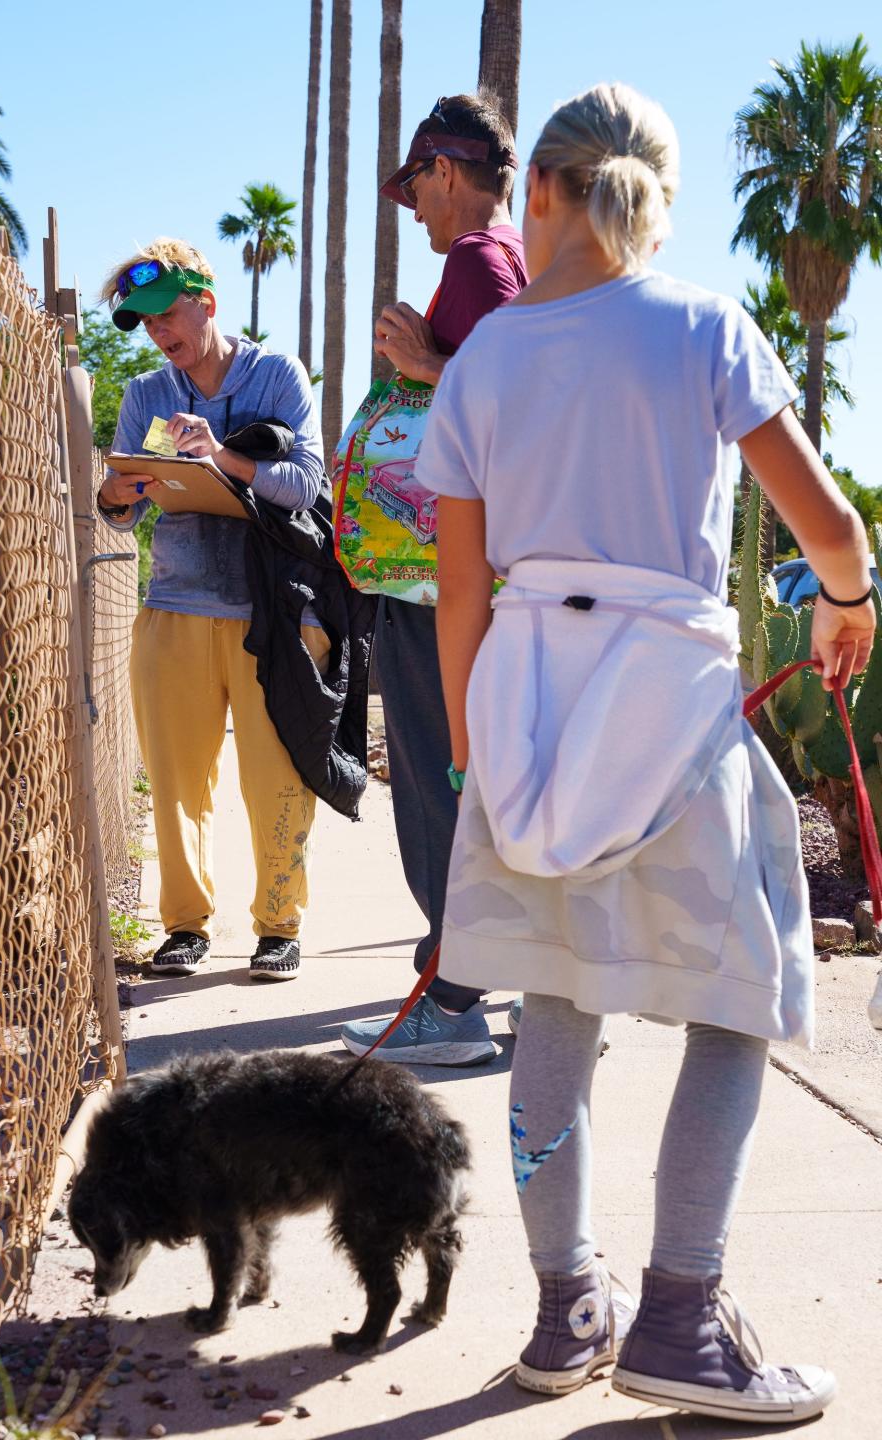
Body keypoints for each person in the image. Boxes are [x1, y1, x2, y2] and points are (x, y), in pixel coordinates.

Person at [421, 83, 873, 1421]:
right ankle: (682, 1316)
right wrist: (846, 606)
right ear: (651, 199)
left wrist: (471, 759)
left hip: (523, 706)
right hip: (668, 705)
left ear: (539, 193)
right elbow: (833, 526)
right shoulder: (699, 325)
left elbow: (457, 593)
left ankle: (569, 1314)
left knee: (555, 1002)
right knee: (740, 998)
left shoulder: (485, 358)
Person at [340, 90, 528, 1066]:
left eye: (414, 185)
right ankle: (491, 973)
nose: (410, 206)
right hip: (458, 572)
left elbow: (521, 413)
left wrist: (425, 360)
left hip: (439, 579)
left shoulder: (477, 260)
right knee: (473, 775)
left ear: (444, 172)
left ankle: (451, 990)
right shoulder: (511, 264)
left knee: (435, 777)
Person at [96, 239, 327, 980]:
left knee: (278, 777)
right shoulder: (145, 395)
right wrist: (115, 493)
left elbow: (309, 486)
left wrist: (223, 457)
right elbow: (118, 514)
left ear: (207, 303)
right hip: (174, 605)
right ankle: (185, 928)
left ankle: (279, 927)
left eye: (168, 313)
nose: (160, 333)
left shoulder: (276, 374)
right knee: (176, 779)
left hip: (275, 613)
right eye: (146, 321)